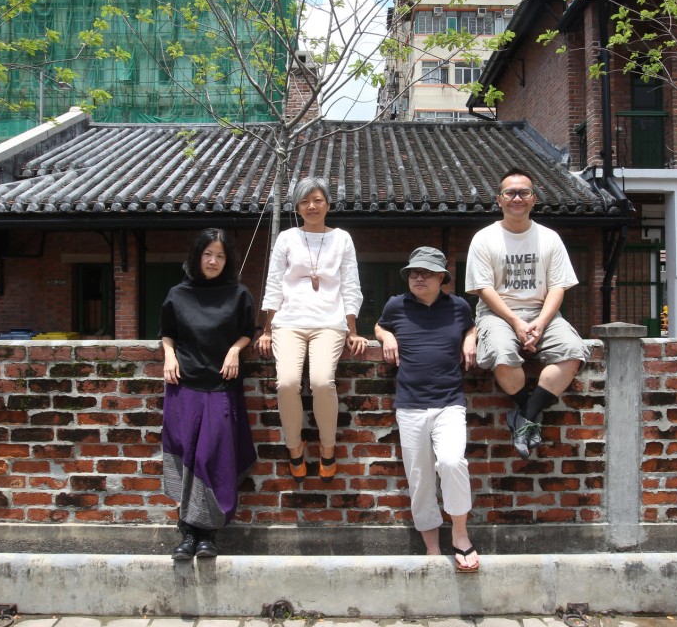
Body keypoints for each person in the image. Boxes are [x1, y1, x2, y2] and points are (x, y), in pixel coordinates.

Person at [465, 167, 589, 460]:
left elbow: (558, 286)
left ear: (534, 199)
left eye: (524, 192)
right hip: (498, 314)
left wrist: (541, 322)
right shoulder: (484, 238)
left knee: (573, 351)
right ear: (499, 199)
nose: (517, 198)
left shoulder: (549, 238)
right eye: (510, 192)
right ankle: (529, 415)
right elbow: (484, 289)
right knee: (500, 353)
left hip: (543, 311)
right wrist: (517, 322)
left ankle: (525, 417)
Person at [256, 178, 367, 485]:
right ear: (297, 207)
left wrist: (353, 329)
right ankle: (295, 447)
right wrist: (266, 329)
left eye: (318, 200)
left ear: (328, 204)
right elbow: (274, 283)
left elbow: (350, 285)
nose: (312, 206)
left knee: (321, 381)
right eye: (305, 201)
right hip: (289, 322)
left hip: (329, 323)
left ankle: (328, 448)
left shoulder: (342, 238)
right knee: (287, 382)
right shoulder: (287, 238)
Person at [375, 247, 480, 573]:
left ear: (441, 278)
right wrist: (386, 335)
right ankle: (432, 549)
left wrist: (470, 338)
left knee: (451, 462)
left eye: (426, 272)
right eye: (413, 272)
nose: (418, 277)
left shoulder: (458, 306)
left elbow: (473, 326)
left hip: (449, 402)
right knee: (419, 479)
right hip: (410, 405)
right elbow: (378, 326)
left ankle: (461, 535)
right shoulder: (396, 305)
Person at [160, 228, 256, 560]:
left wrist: (234, 350)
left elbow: (248, 331)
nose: (213, 261)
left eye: (220, 255)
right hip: (184, 383)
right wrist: (169, 356)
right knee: (187, 456)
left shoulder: (238, 294)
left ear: (227, 260)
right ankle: (187, 532)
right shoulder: (178, 293)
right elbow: (167, 333)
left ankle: (208, 535)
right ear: (197, 256)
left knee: (213, 457)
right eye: (207, 254)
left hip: (221, 386)